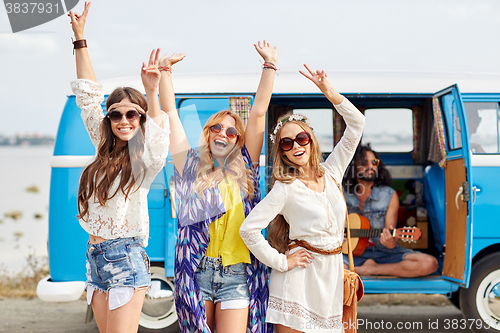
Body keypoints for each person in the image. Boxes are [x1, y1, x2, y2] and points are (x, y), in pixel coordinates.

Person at [158, 42, 278, 332]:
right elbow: (170, 114)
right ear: (208, 133)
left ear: (238, 141)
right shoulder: (189, 167)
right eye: (216, 127)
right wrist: (164, 73)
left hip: (237, 275)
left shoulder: (247, 170)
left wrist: (270, 66)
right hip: (197, 272)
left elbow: (259, 113)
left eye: (231, 131)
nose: (223, 133)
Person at [240, 65, 365, 332]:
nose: (296, 146)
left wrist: (329, 92)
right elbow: (248, 229)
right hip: (296, 281)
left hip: (331, 277)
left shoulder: (332, 172)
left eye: (301, 138)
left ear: (310, 140)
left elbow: (356, 125)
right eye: (287, 143)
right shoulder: (285, 188)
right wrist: (281, 261)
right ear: (282, 153)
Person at [69, 3, 170, 332]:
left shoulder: (145, 160)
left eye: (132, 114)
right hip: (95, 257)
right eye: (116, 114)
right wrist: (80, 38)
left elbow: (158, 136)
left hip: (125, 256)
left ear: (140, 119)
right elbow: (88, 98)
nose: (123, 120)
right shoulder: (102, 147)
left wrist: (152, 91)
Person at [342, 144, 438, 277]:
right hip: (350, 253)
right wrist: (338, 236)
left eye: (374, 162)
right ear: (353, 166)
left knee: (429, 263)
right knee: (325, 268)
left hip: (383, 253)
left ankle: (370, 270)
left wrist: (390, 241)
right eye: (365, 162)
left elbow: (390, 240)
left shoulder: (389, 195)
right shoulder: (342, 193)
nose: (371, 166)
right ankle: (353, 268)